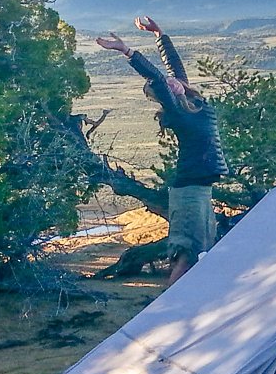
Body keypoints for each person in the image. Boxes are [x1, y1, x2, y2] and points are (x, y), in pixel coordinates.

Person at [96, 16, 228, 284]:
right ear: (165, 96)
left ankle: (184, 302)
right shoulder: (179, 112)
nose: (172, 81)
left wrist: (159, 35)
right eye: (167, 86)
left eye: (173, 80)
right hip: (189, 191)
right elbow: (156, 76)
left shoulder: (192, 100)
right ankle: (168, 305)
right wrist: (127, 52)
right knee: (188, 252)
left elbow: (173, 67)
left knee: (201, 249)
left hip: (200, 190)